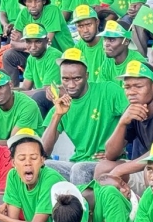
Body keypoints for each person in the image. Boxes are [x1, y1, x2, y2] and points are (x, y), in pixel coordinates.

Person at [40, 49, 128, 184]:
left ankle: (82, 205)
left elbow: (133, 116)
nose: (71, 85)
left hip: (107, 162)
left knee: (80, 169)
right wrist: (57, 115)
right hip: (77, 163)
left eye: (77, 78)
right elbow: (44, 152)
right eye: (65, 79)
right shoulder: (61, 105)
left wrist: (119, 148)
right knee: (41, 166)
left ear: (87, 75)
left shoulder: (108, 90)